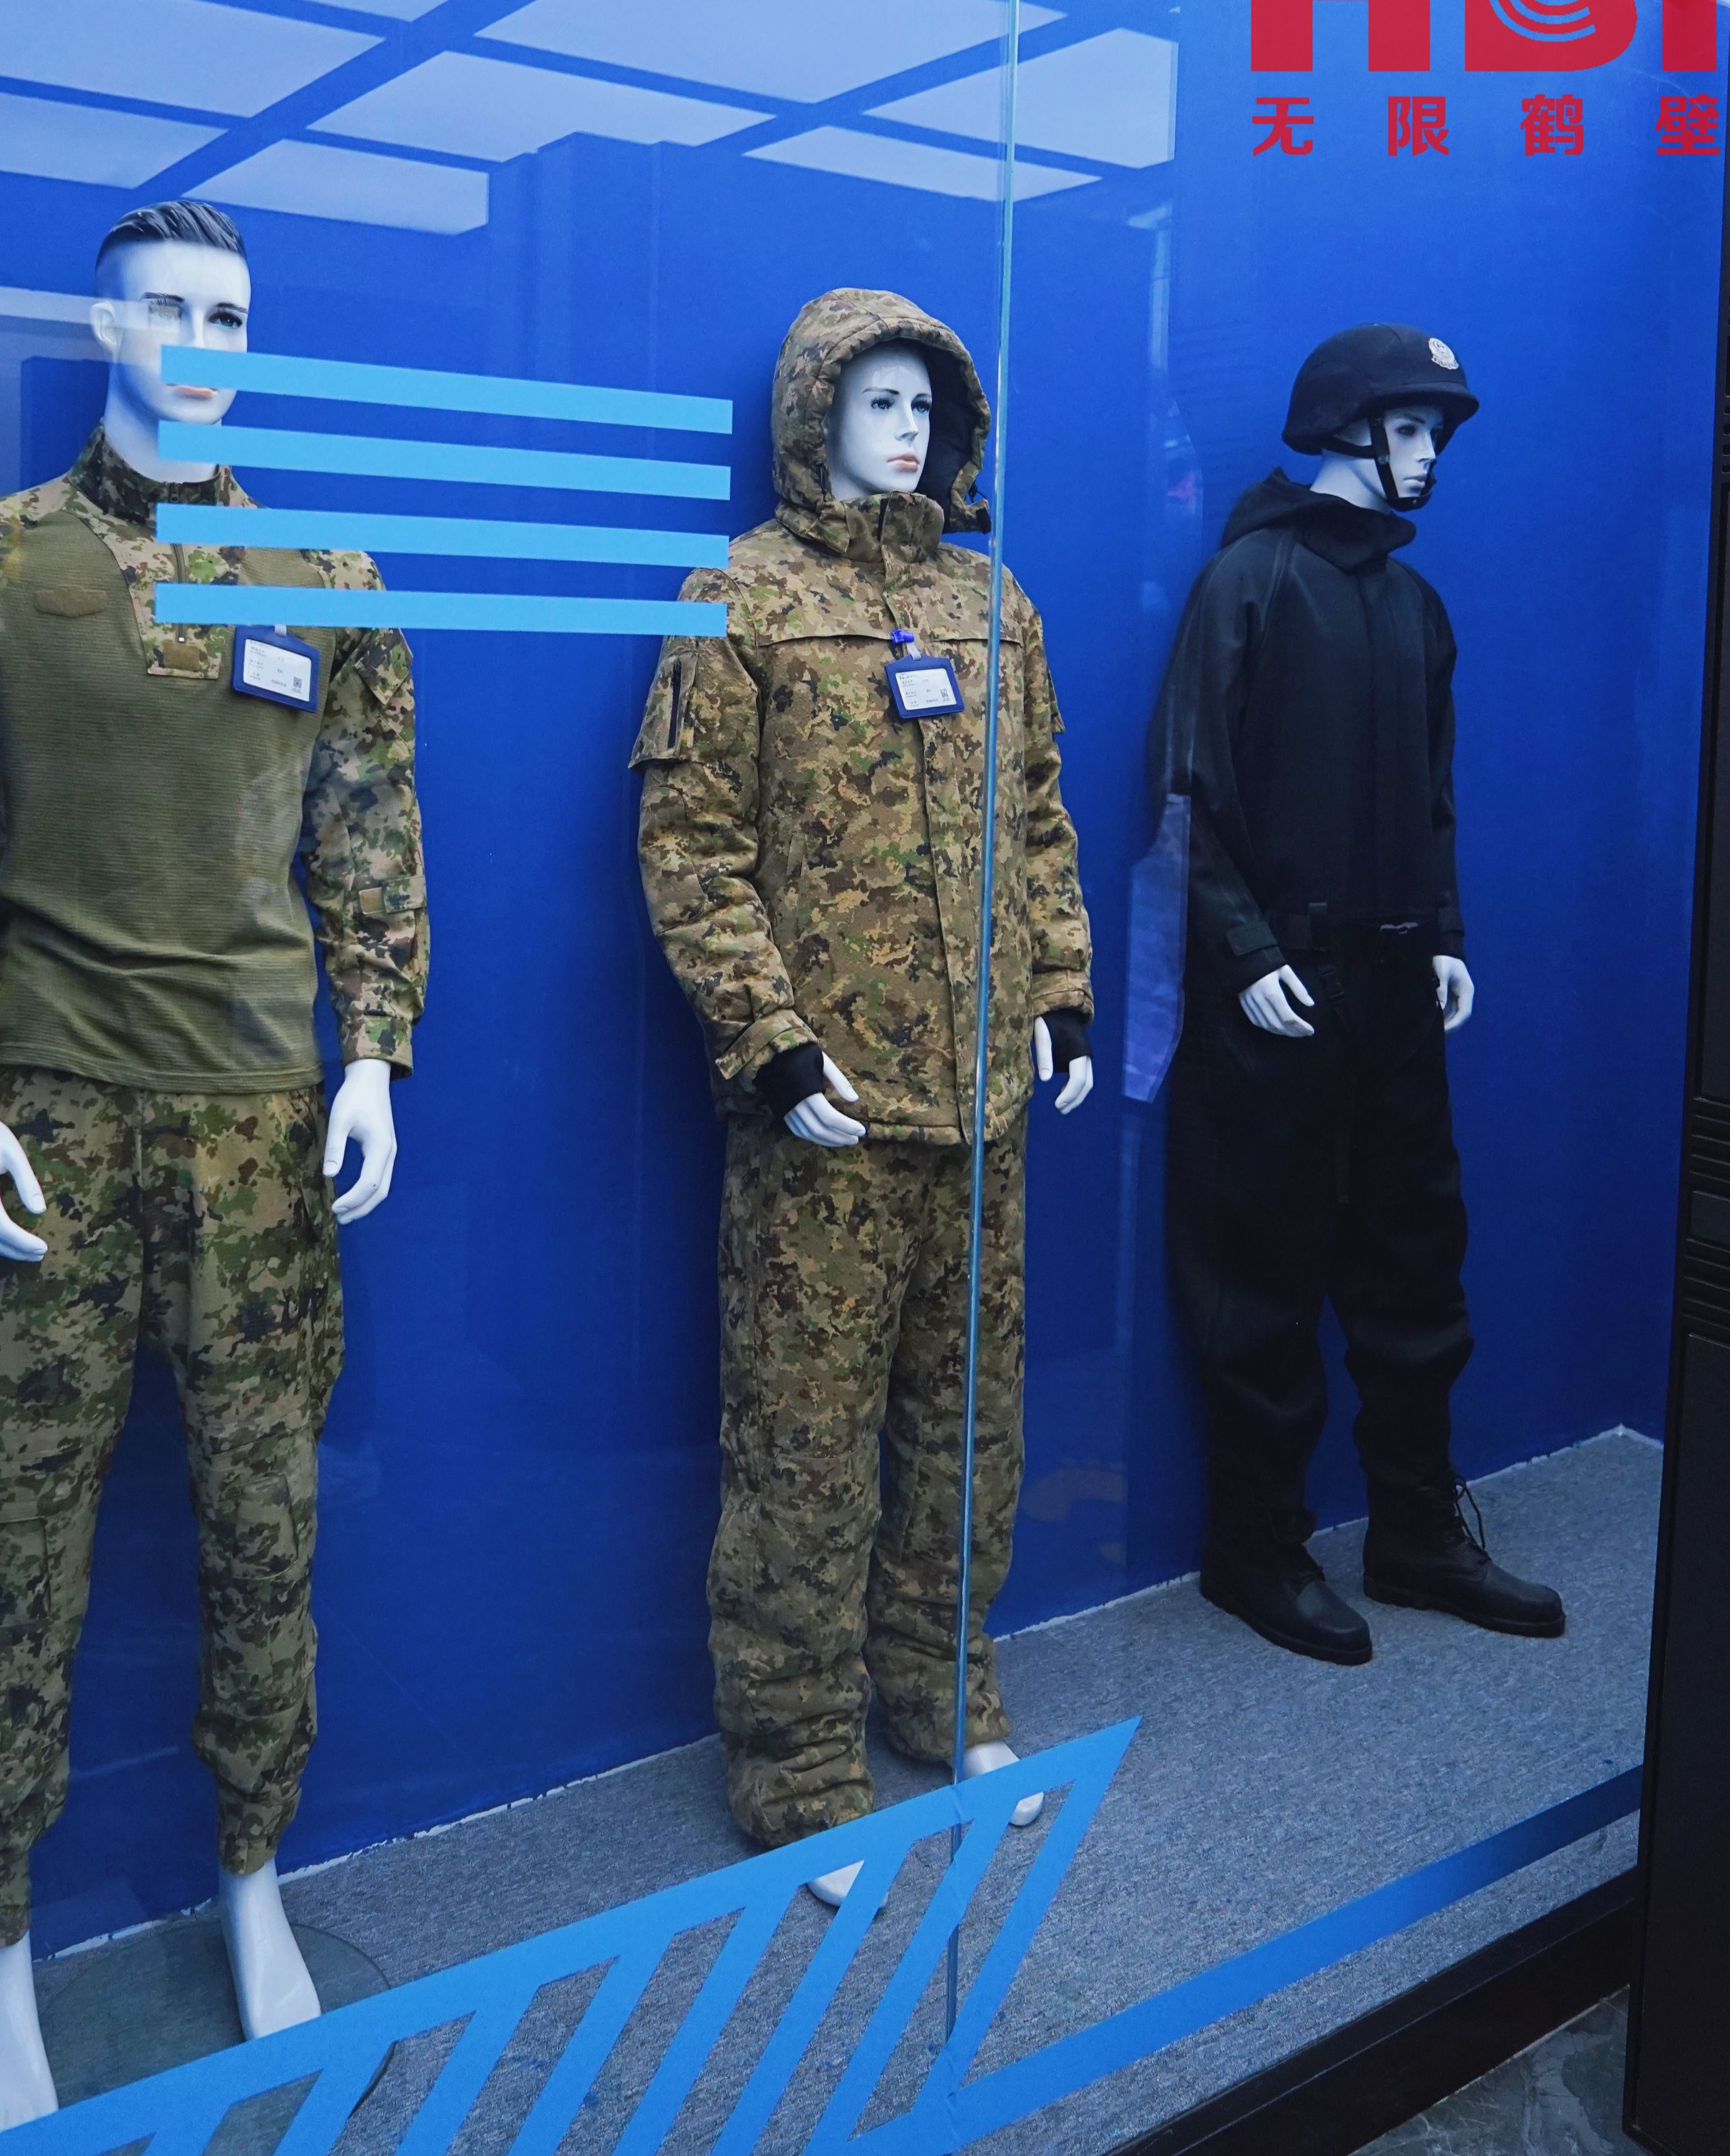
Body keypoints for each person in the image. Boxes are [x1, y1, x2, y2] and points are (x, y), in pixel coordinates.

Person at [0, 199, 425, 2131]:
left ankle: (255, 1871)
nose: (200, 338)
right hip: (55, 1123)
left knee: (267, 1527)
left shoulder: (326, 579)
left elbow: (369, 844)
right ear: (101, 323)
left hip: (264, 1131)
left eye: (232, 313)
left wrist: (379, 1057)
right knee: (10, 1543)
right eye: (168, 305)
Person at [634, 288, 1095, 1901]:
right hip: (825, 1118)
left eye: (925, 406)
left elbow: (1040, 814)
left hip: (981, 1112)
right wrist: (767, 1038)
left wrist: (1058, 989)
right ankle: (798, 1764)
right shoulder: (743, 596)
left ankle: (944, 1691)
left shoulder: (991, 604)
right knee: (805, 1452)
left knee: (970, 1429)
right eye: (877, 400)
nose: (906, 430)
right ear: (814, 411)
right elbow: (689, 845)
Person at [1153, 322, 1563, 1667]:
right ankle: (1256, 1547)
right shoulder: (1250, 583)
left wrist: (1442, 932)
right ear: (1345, 426)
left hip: (1396, 991)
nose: (1430, 451)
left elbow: (1435, 798)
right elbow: (1185, 793)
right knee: (1259, 1273)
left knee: (1414, 1262)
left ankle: (1416, 1532)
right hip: (1279, 993)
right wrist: (1245, 953)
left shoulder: (1414, 606)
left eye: (1439, 430)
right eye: (1411, 426)